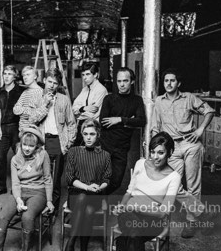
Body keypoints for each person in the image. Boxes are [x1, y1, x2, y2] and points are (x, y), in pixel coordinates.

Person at [151, 68, 216, 238]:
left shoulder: (188, 98)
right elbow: (155, 128)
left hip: (190, 145)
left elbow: (209, 111)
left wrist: (200, 129)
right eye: (166, 81)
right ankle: (202, 211)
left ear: (178, 83)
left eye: (172, 80)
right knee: (173, 185)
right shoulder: (159, 101)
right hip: (171, 147)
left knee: (193, 185)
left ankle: (191, 222)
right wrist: (155, 152)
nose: (169, 84)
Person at [0, 125, 54, 251]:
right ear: (21, 143)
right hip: (19, 191)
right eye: (25, 144)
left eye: (31, 145)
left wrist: (49, 200)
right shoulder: (15, 159)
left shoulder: (43, 155)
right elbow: (15, 183)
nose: (27, 148)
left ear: (36, 146)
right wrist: (18, 199)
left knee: (27, 217)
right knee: (3, 216)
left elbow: (48, 178)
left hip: (38, 192)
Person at [113, 132, 181, 251]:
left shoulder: (174, 177)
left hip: (154, 221)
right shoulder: (140, 164)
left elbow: (162, 213)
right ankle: (122, 241)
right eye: (153, 152)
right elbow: (129, 192)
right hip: (128, 215)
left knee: (132, 236)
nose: (155, 157)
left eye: (160, 152)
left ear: (169, 153)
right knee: (134, 233)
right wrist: (121, 207)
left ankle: (121, 242)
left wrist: (136, 208)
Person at [30, 67, 77, 211]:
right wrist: (45, 104)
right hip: (41, 143)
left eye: (55, 83)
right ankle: (39, 207)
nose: (51, 85)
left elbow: (71, 123)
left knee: (55, 180)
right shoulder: (37, 98)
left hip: (58, 143)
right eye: (49, 81)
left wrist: (69, 143)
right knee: (40, 178)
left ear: (58, 85)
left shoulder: (63, 100)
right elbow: (32, 120)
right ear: (44, 80)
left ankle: (52, 210)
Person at [64, 119, 111, 251]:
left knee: (89, 208)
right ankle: (75, 244)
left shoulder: (105, 155)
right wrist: (87, 187)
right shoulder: (73, 152)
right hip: (75, 195)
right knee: (84, 200)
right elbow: (69, 178)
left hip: (94, 195)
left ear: (98, 135)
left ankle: (71, 244)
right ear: (82, 134)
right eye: (85, 134)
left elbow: (107, 179)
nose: (88, 137)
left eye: (92, 134)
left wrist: (98, 187)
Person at [100, 67, 146, 195]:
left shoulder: (137, 100)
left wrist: (120, 120)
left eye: (125, 81)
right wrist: (129, 122)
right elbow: (103, 122)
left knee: (116, 182)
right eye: (119, 81)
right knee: (100, 180)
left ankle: (97, 197)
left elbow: (141, 121)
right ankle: (96, 205)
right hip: (105, 146)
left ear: (132, 81)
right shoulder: (108, 99)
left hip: (122, 148)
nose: (121, 84)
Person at [0, 65, 24, 198]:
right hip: (3, 128)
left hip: (16, 128)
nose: (7, 76)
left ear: (15, 76)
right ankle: (1, 187)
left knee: (21, 158)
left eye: (10, 74)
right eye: (5, 73)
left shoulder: (20, 91)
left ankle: (21, 187)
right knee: (0, 158)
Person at [72, 62, 108, 145]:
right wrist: (83, 108)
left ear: (95, 75)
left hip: (94, 128)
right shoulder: (84, 89)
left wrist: (79, 113)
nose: (85, 78)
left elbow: (92, 114)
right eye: (83, 75)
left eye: (88, 74)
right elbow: (73, 108)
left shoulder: (101, 90)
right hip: (82, 128)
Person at [13, 66, 44, 131]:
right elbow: (15, 109)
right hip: (22, 130)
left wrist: (22, 111)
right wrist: (29, 110)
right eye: (24, 75)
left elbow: (38, 115)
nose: (25, 77)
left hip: (34, 131)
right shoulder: (25, 92)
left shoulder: (40, 92)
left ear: (35, 76)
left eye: (28, 75)